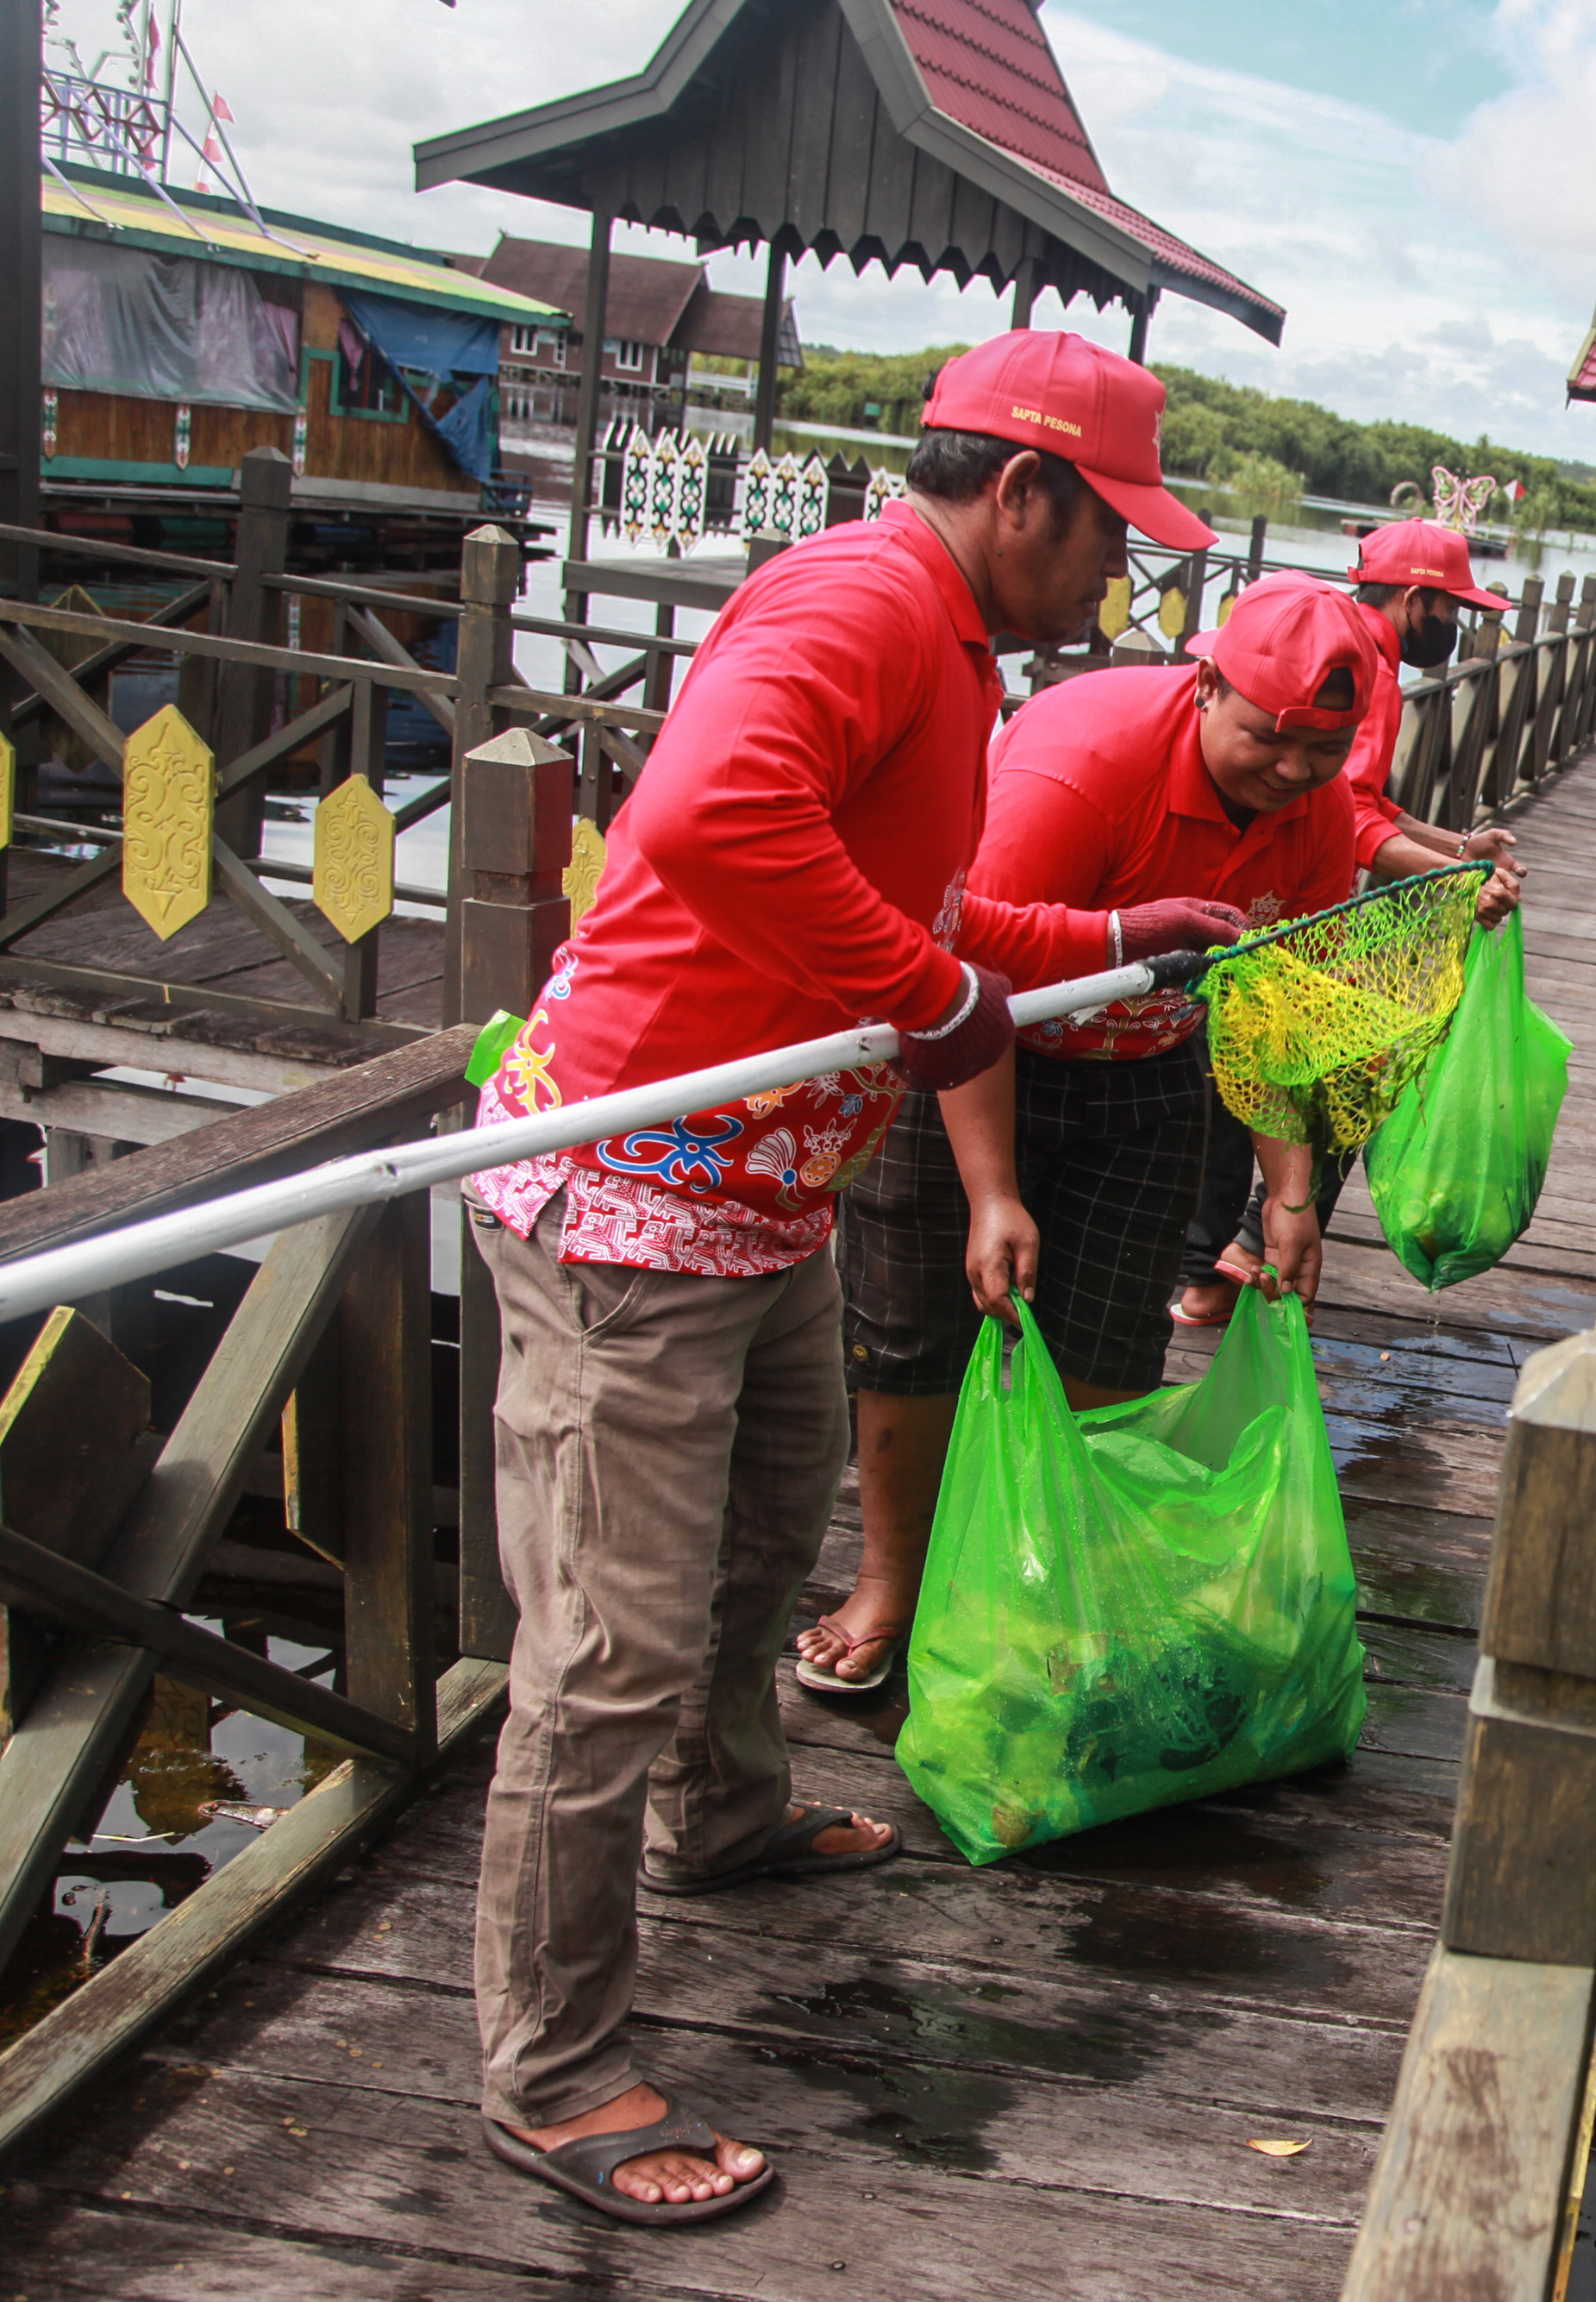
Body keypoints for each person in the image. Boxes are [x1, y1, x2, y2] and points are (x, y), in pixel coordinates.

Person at [460, 329, 1224, 2224]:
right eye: (1109, 535)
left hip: (765, 1193)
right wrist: (934, 1005)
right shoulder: (871, 595)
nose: (1119, 580)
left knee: (753, 1548)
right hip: (630, 1191)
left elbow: (932, 914)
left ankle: (715, 1818)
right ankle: (550, 2065)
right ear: (1025, 493)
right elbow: (709, 818)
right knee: (607, 1643)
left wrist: (1112, 932)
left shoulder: (955, 654)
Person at [800, 574, 1521, 1688]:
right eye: (1268, 741)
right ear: (1203, 687)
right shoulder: (1079, 774)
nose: (1292, 773)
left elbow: (1276, 1004)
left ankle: (1038, 1577)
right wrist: (995, 1191)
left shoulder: (1317, 816)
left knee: (1107, 1343)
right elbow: (961, 982)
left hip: (1142, 1062)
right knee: (915, 1330)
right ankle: (890, 1579)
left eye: (1323, 754)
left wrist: (1287, 1193)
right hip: (967, 1053)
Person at [1171, 518, 1523, 1325]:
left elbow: (1356, 802)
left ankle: (1221, 1263)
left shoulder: (1351, 650)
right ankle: (1227, 1265)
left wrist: (1458, 847)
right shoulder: (1365, 670)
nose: (1457, 625)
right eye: (1451, 608)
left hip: (1274, 886)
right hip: (1283, 903)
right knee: (1292, 1062)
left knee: (1250, 1054)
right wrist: (1461, 883)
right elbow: (1353, 821)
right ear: (1413, 599)